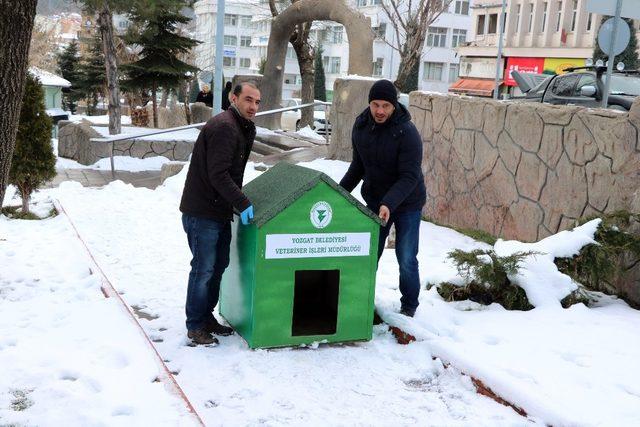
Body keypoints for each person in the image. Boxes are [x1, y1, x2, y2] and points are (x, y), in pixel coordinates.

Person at [179, 82, 261, 345]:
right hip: (203, 211)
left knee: (218, 266)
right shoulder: (225, 127)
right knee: (203, 269)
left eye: (257, 102)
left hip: (218, 210)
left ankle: (206, 317)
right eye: (248, 100)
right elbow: (218, 174)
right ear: (233, 98)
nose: (253, 107)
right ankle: (195, 325)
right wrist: (243, 202)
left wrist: (236, 202)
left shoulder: (242, 127)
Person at [339, 79, 426, 317]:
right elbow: (358, 166)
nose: (379, 111)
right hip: (376, 201)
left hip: (407, 202)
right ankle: (360, 302)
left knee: (406, 257)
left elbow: (410, 176)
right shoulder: (361, 126)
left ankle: (409, 306)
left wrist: (389, 202)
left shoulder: (407, 133)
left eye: (385, 106)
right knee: (368, 255)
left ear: (394, 106)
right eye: (375, 104)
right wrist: (338, 193)